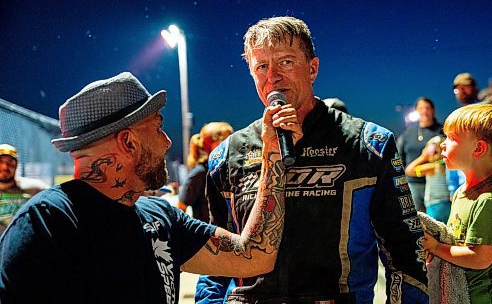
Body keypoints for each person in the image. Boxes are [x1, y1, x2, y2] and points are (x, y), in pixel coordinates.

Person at [0, 71, 299, 303]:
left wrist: (272, 153)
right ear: (128, 141)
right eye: (158, 127)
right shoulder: (49, 224)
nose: (167, 142)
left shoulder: (159, 218)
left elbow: (255, 255)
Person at [196, 16, 427, 303]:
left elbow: (405, 252)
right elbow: (215, 259)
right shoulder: (227, 154)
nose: (273, 77)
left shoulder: (370, 144)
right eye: (262, 67)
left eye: (286, 62)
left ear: (313, 68)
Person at [423, 103, 492, 303]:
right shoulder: (460, 193)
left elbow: (481, 258)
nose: (443, 144)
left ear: (478, 148)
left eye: (452, 138)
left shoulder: (488, 200)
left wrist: (437, 247)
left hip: (482, 297)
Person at [179, 122, 234, 222]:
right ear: (214, 144)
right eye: (226, 141)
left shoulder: (227, 170)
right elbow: (180, 208)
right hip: (209, 235)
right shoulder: (200, 174)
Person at [397, 97, 443, 212]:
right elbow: (399, 157)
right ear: (416, 111)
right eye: (421, 108)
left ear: (433, 110)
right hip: (413, 184)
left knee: (436, 221)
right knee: (418, 221)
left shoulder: (442, 131)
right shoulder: (408, 133)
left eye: (427, 108)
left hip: (437, 184)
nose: (424, 111)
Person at [0, 143, 47, 233]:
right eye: (0, 161)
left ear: (17, 165)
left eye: (10, 162)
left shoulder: (35, 189)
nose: (4, 167)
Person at [405, 136, 451, 223]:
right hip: (447, 204)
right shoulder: (446, 165)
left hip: (435, 206)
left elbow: (409, 170)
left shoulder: (433, 167)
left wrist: (423, 157)